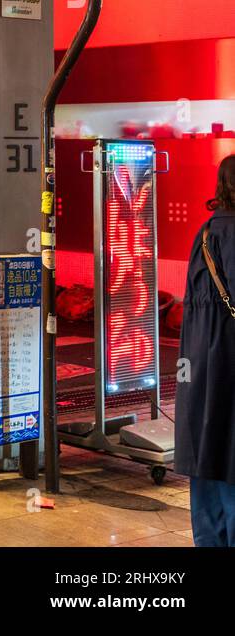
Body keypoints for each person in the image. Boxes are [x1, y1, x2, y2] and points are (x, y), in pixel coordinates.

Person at [177, 154, 235, 546]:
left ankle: (210, 538)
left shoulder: (206, 230)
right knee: (230, 449)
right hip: (229, 355)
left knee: (206, 448)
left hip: (198, 357)